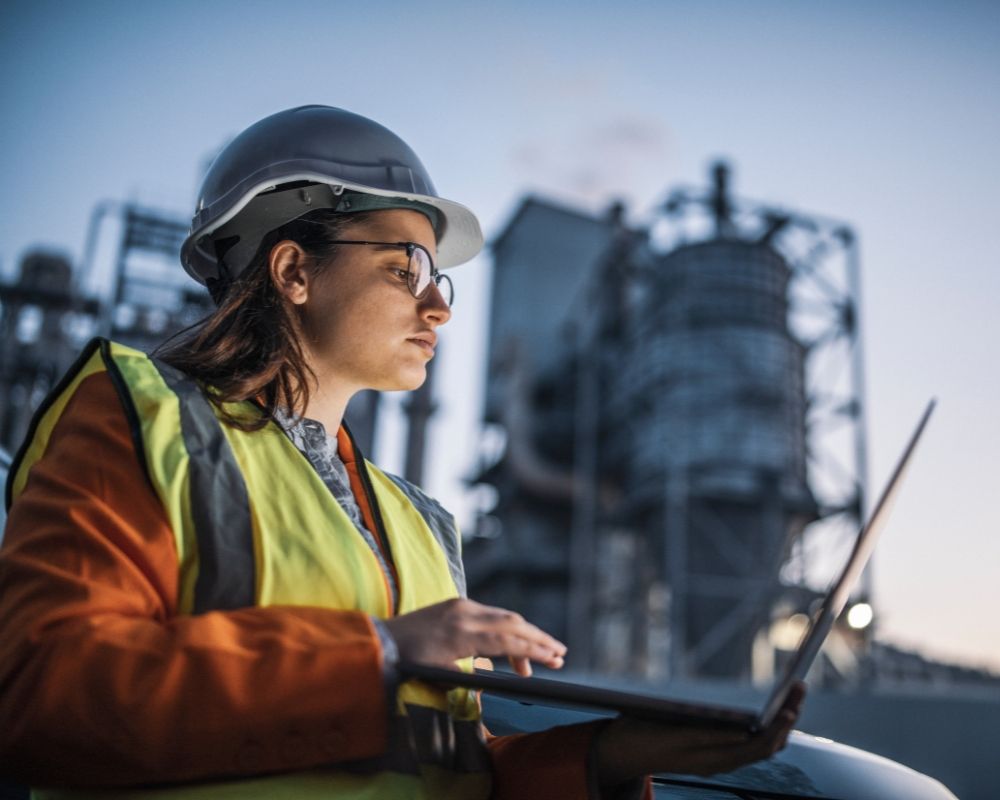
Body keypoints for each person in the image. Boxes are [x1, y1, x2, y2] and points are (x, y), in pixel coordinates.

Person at [0, 106, 802, 799]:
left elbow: (444, 772)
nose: (436, 306)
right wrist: (382, 649)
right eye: (404, 266)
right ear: (293, 270)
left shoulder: (417, 521)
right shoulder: (142, 418)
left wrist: (614, 756)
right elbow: (45, 694)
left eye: (440, 280)